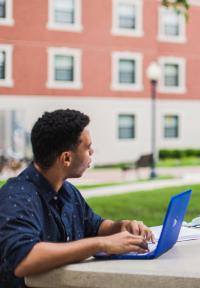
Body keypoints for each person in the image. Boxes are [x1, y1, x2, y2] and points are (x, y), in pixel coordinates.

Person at [0, 109, 154, 288]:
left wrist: (120, 226)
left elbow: (95, 226)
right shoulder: (17, 196)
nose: (92, 151)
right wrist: (101, 244)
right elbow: (24, 259)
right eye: (88, 148)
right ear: (66, 158)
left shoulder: (67, 191)